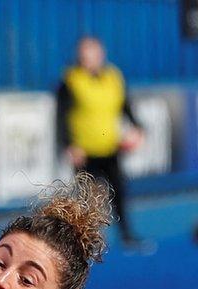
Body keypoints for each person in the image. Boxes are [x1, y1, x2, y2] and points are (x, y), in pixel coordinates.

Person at [56, 36, 149, 253]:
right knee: (88, 198)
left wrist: (137, 127)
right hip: (85, 150)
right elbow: (61, 116)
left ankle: (127, 235)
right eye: (84, 53)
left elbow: (125, 105)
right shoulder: (71, 80)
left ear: (101, 54)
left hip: (110, 146)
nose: (87, 57)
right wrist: (69, 144)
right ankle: (87, 242)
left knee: (119, 192)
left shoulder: (113, 77)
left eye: (92, 52)